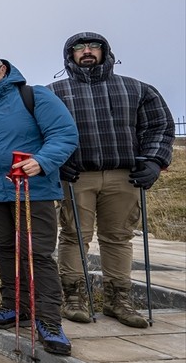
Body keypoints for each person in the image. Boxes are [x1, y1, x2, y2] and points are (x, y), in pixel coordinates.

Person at [0, 53, 78, 355]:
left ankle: (48, 321)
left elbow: (64, 134)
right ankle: (14, 306)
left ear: (4, 69)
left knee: (38, 254)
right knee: (5, 249)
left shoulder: (34, 96)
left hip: (33, 190)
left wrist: (42, 161)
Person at [49, 32, 174, 328]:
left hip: (124, 175)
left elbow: (159, 126)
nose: (87, 52)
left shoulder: (137, 89)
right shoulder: (54, 93)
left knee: (118, 237)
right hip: (77, 175)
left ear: (106, 52)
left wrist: (155, 161)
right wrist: (56, 163)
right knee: (74, 236)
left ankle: (119, 299)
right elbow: (40, 131)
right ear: (70, 56)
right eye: (79, 48)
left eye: (94, 46)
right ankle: (74, 297)